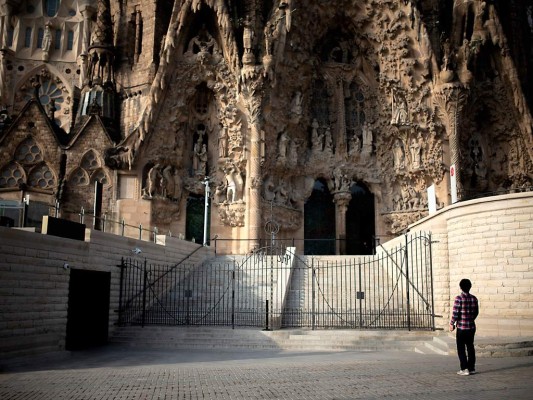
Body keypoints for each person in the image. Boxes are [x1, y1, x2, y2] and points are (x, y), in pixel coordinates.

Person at [449, 278, 479, 376]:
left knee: (461, 348)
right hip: (471, 327)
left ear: (461, 287)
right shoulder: (474, 298)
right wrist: (470, 319)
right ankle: (472, 368)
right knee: (470, 347)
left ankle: (464, 368)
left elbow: (455, 312)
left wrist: (452, 323)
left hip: (462, 327)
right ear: (470, 287)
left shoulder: (459, 298)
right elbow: (476, 312)